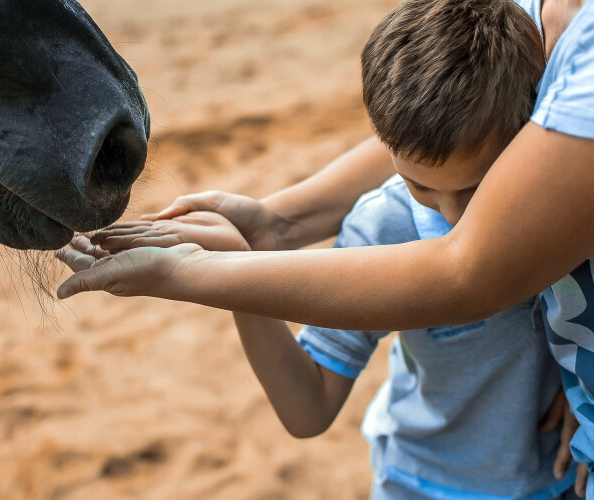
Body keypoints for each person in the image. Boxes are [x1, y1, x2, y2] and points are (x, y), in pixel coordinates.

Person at [57, 0, 594, 494]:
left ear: (532, 139)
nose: (453, 215)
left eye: (477, 189)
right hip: (423, 483)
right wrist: (240, 279)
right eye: (422, 187)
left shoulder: (546, 206)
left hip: (554, 481)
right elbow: (307, 408)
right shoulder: (383, 225)